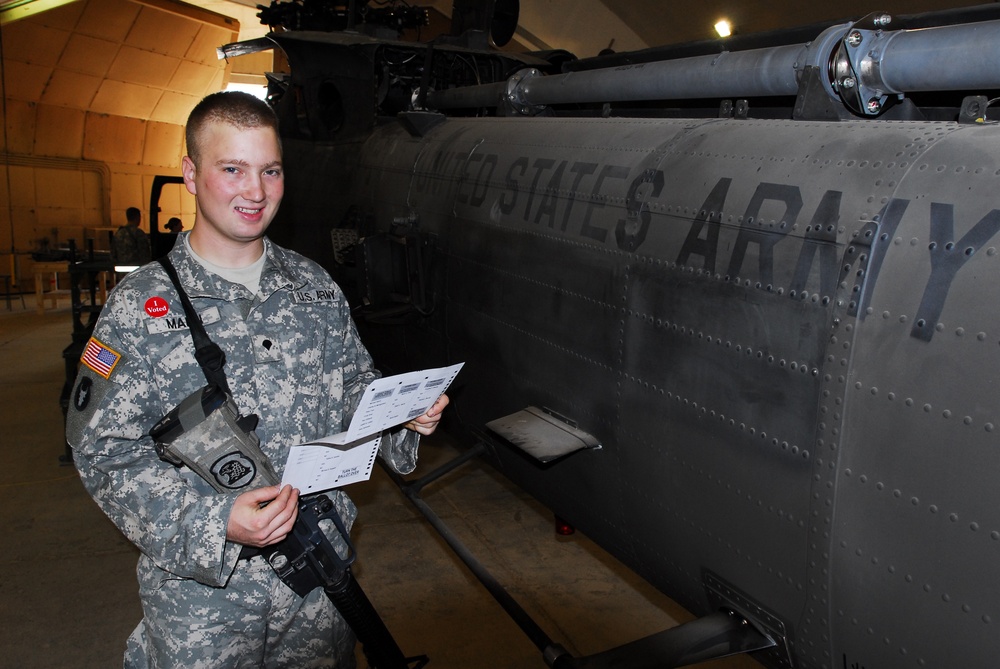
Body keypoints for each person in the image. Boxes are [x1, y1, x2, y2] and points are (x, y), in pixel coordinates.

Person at [67, 91, 448, 668]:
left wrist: (402, 415)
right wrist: (215, 522)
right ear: (191, 175)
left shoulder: (314, 287)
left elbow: (352, 388)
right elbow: (103, 451)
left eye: (270, 170)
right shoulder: (139, 306)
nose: (256, 191)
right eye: (232, 169)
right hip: (203, 605)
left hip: (318, 582)